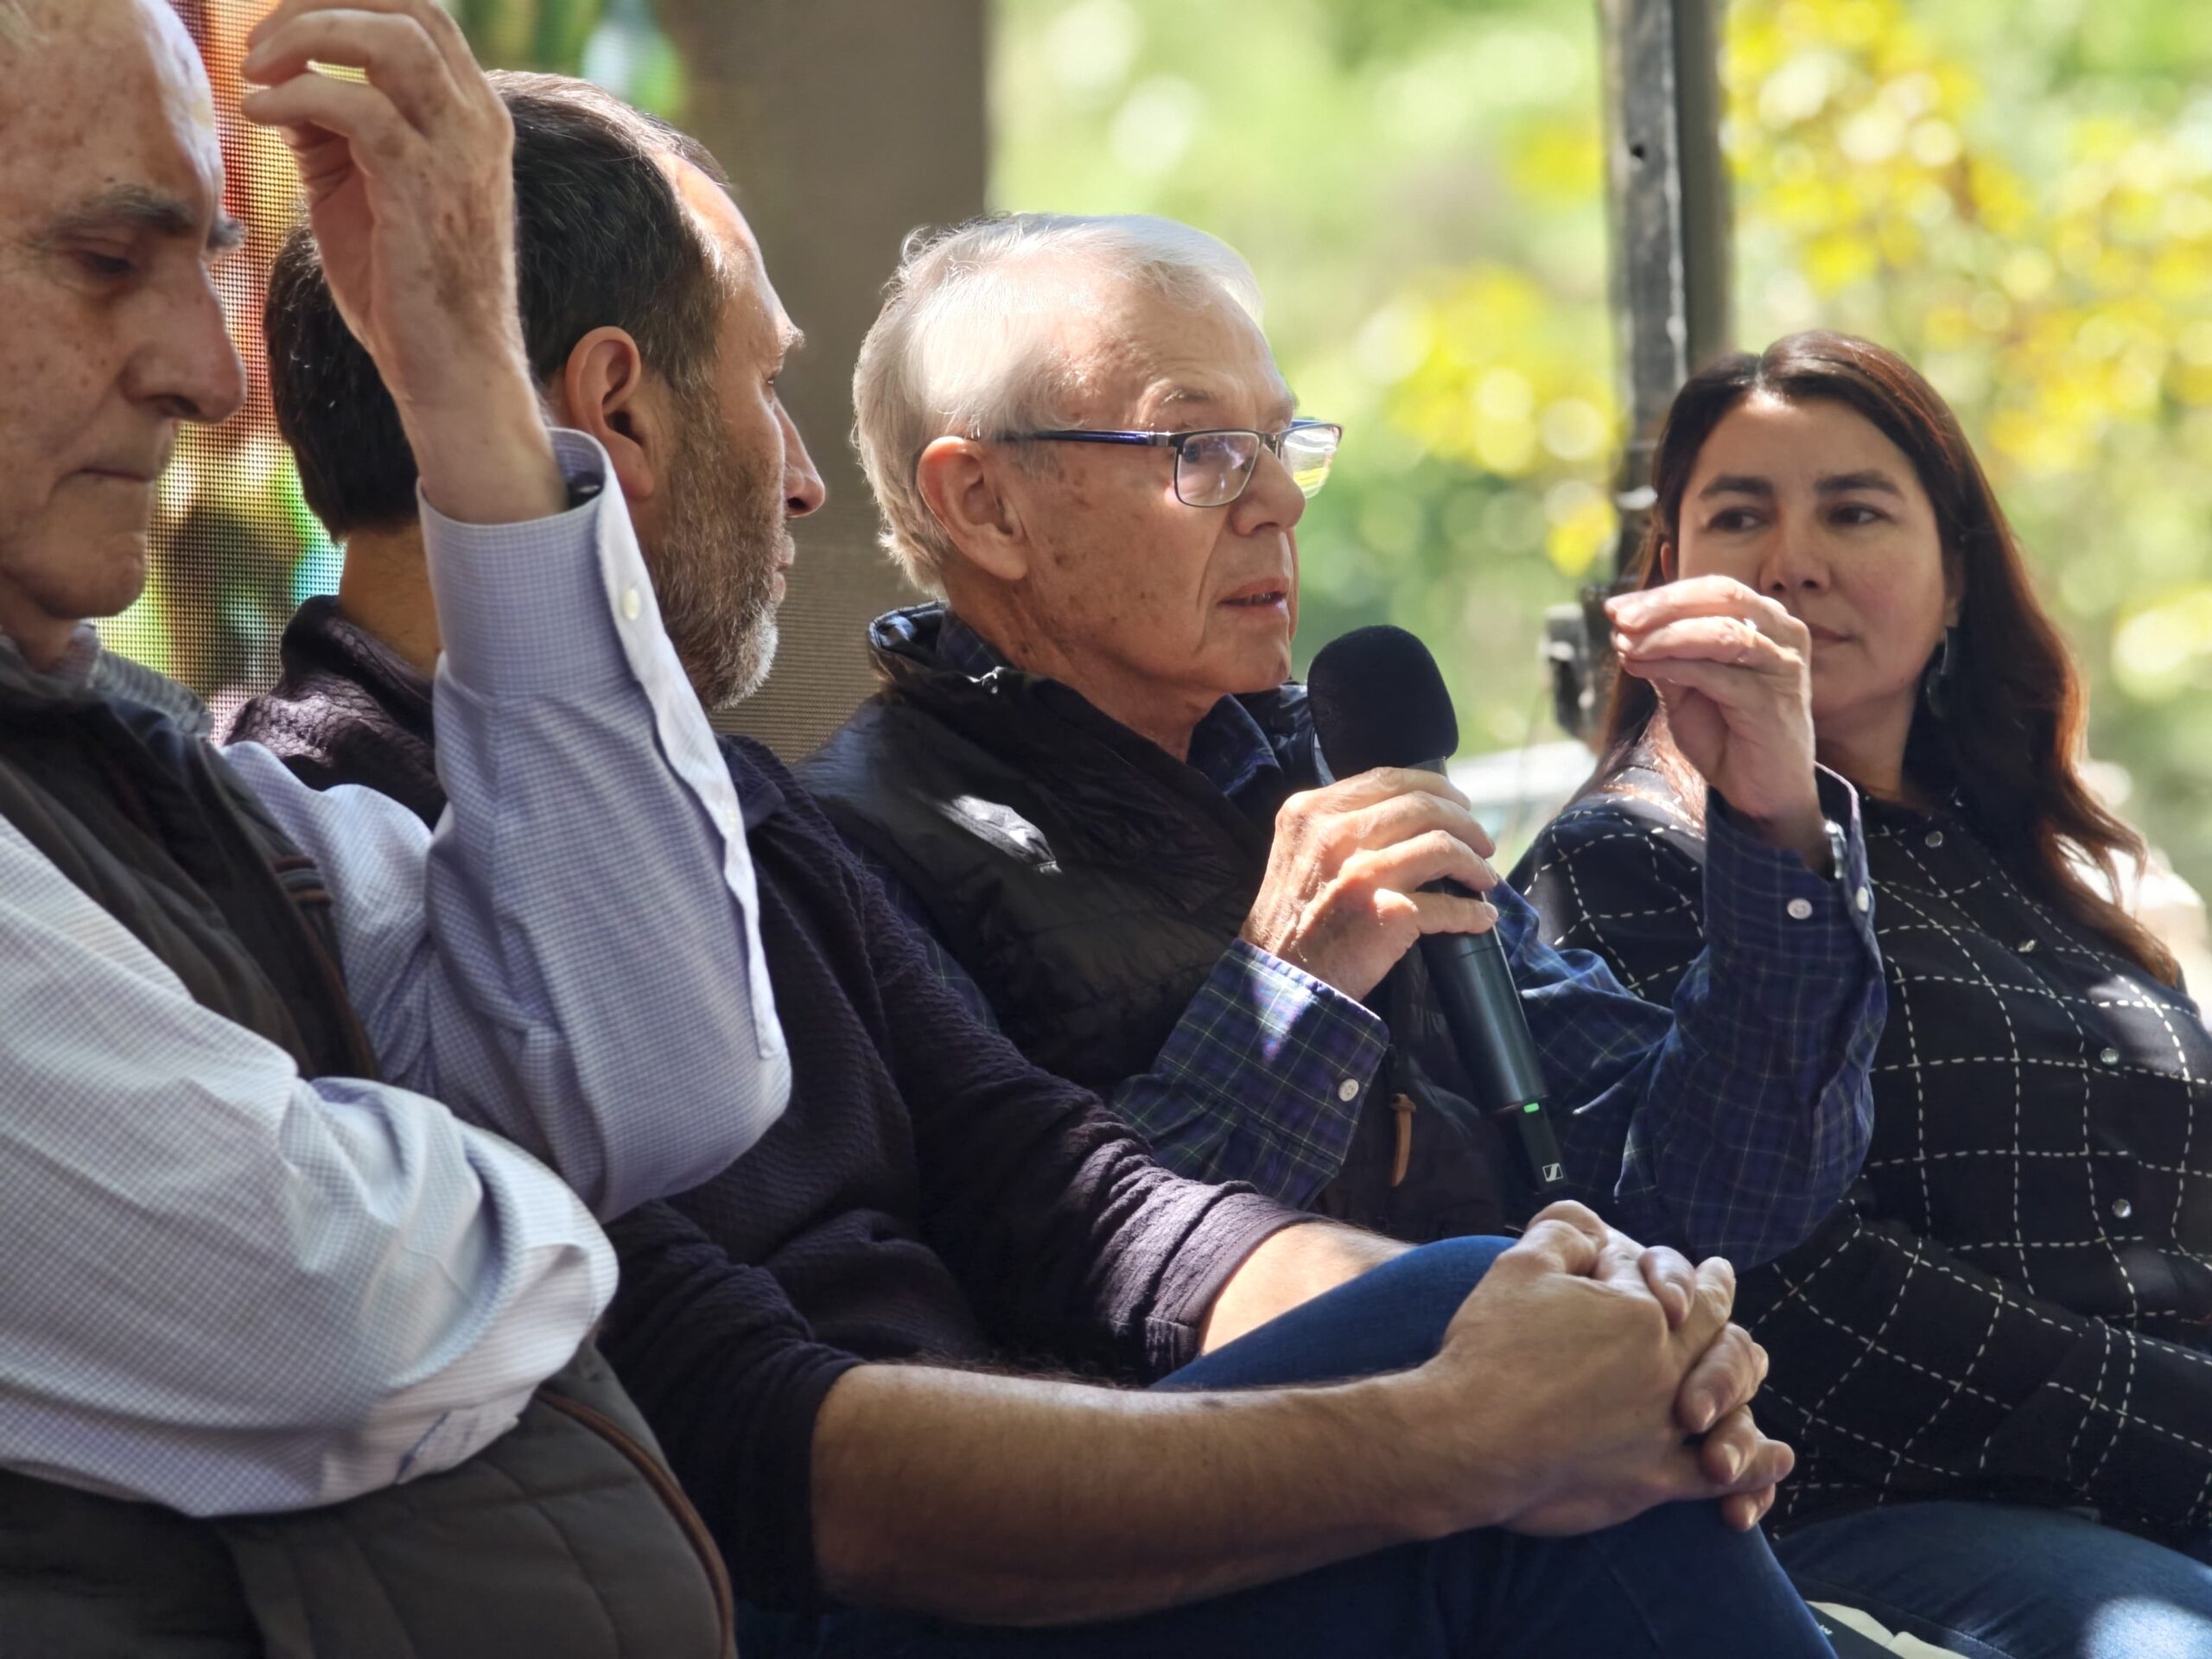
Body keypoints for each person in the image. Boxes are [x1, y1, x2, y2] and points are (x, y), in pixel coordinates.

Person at [242, 71, 1842, 1659]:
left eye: (1281, 441)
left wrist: (1574, 1323)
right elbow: (780, 1418)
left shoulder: (759, 798)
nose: (802, 479)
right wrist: (1445, 1399)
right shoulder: (331, 836)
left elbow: (1075, 1195)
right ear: (621, 410)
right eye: (1202, 450)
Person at [0, 1, 793, 1651]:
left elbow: (660, 1075)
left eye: (207, 262)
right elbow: (327, 1312)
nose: (206, 370)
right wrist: (531, 1207)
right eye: (102, 261)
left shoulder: (114, 739)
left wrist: (471, 396)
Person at [799, 212, 1882, 1267]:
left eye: (1279, 443)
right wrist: (1286, 993)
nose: (1277, 500)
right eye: (1201, 448)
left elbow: (1714, 1187)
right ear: (986, 505)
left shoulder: (1322, 761)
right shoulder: (850, 855)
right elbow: (1033, 1324)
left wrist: (1774, 828)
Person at [1513, 329, 2212, 1659]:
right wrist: (2185, 1427)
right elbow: (1783, 1281)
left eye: (1854, 509)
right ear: (1664, 575)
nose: (1793, 562)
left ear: (1957, 581)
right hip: (1877, 1512)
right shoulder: (1630, 860)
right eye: (1738, 515)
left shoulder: (2035, 871)